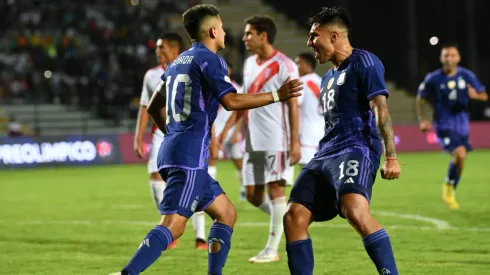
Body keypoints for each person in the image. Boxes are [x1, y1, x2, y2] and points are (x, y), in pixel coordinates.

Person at [110, 4, 302, 275]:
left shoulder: (178, 62)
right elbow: (231, 100)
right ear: (213, 30)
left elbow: (154, 106)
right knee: (174, 225)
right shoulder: (210, 59)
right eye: (222, 27)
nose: (224, 32)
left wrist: (174, 134)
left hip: (178, 152)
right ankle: (126, 273)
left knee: (226, 213)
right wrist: (276, 96)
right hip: (188, 158)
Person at [283, 7, 401, 275]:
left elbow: (380, 109)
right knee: (293, 217)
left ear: (333, 35)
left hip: (356, 148)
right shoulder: (327, 78)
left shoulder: (365, 62)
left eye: (314, 36)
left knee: (354, 210)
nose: (309, 43)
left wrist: (390, 156)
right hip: (325, 153)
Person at [219, 15, 301, 263]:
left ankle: (271, 249)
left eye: (248, 34)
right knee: (253, 195)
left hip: (276, 138)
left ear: (263, 36)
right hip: (252, 141)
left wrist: (294, 141)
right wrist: (227, 131)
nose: (244, 38)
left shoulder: (286, 65)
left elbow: (293, 105)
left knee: (275, 189)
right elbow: (243, 100)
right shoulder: (249, 64)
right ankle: (286, 219)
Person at [133, 33, 207, 250]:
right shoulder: (151, 75)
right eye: (157, 48)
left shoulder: (191, 68)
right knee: (155, 176)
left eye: (161, 47)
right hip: (161, 133)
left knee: (193, 182)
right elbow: (146, 107)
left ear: (175, 50)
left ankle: (200, 237)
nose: (158, 52)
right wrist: (138, 136)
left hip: (187, 133)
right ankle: (169, 229)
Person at [416, 43, 488, 209]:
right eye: (446, 55)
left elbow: (484, 95)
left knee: (461, 160)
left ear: (458, 58)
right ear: (441, 58)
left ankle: (450, 188)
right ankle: (448, 189)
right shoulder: (433, 78)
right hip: (443, 124)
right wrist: (424, 119)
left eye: (452, 55)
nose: (449, 59)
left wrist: (475, 95)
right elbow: (421, 99)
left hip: (462, 123)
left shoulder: (466, 75)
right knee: (460, 154)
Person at [209, 60, 246, 200]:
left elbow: (240, 112)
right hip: (215, 129)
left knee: (238, 161)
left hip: (231, 131)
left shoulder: (237, 88)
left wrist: (237, 131)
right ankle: (211, 191)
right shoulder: (212, 85)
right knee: (211, 158)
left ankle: (244, 188)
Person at [294, 52, 323, 167]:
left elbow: (295, 106)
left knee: (308, 172)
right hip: (323, 132)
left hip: (307, 133)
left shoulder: (302, 83)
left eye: (298, 63)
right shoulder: (322, 81)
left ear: (307, 65)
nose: (296, 67)